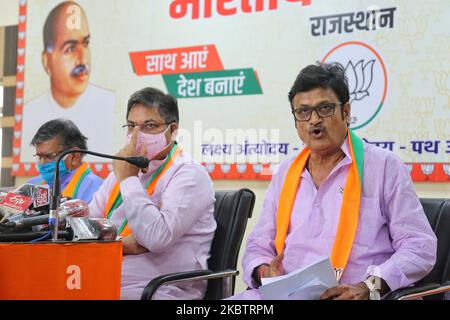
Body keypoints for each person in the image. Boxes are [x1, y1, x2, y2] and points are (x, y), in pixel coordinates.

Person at [231, 62, 437, 300]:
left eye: (325, 108)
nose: (314, 120)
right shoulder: (286, 172)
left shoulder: (384, 166)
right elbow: (259, 244)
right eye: (303, 112)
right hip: (286, 294)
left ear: (346, 112)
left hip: (352, 295)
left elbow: (418, 246)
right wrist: (264, 271)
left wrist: (369, 288)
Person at [88, 87, 216, 300]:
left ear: (172, 128)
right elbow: (88, 226)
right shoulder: (123, 170)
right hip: (107, 277)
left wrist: (129, 181)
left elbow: (157, 238)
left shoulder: (189, 174)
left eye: (149, 126)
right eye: (131, 126)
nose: (136, 136)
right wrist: (121, 244)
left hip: (159, 288)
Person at [21, 1, 114, 163]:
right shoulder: (30, 110)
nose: (83, 59)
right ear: (46, 61)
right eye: (70, 48)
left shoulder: (109, 103)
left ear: (74, 156)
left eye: (85, 44)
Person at [29, 118, 103, 203]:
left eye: (49, 156)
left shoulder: (94, 187)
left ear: (74, 156)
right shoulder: (33, 184)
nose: (42, 163)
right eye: (39, 157)